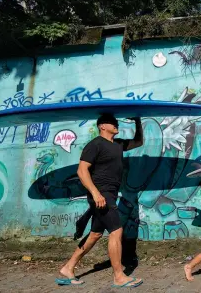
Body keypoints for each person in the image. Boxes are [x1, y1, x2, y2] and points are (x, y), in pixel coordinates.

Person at [55, 114, 144, 288]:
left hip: (108, 194)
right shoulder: (95, 144)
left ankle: (68, 268)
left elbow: (138, 142)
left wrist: (137, 121)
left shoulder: (117, 144)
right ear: (102, 126)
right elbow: (82, 171)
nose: (116, 124)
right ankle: (119, 277)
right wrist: (96, 194)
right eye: (113, 122)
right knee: (116, 231)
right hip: (101, 194)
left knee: (95, 234)